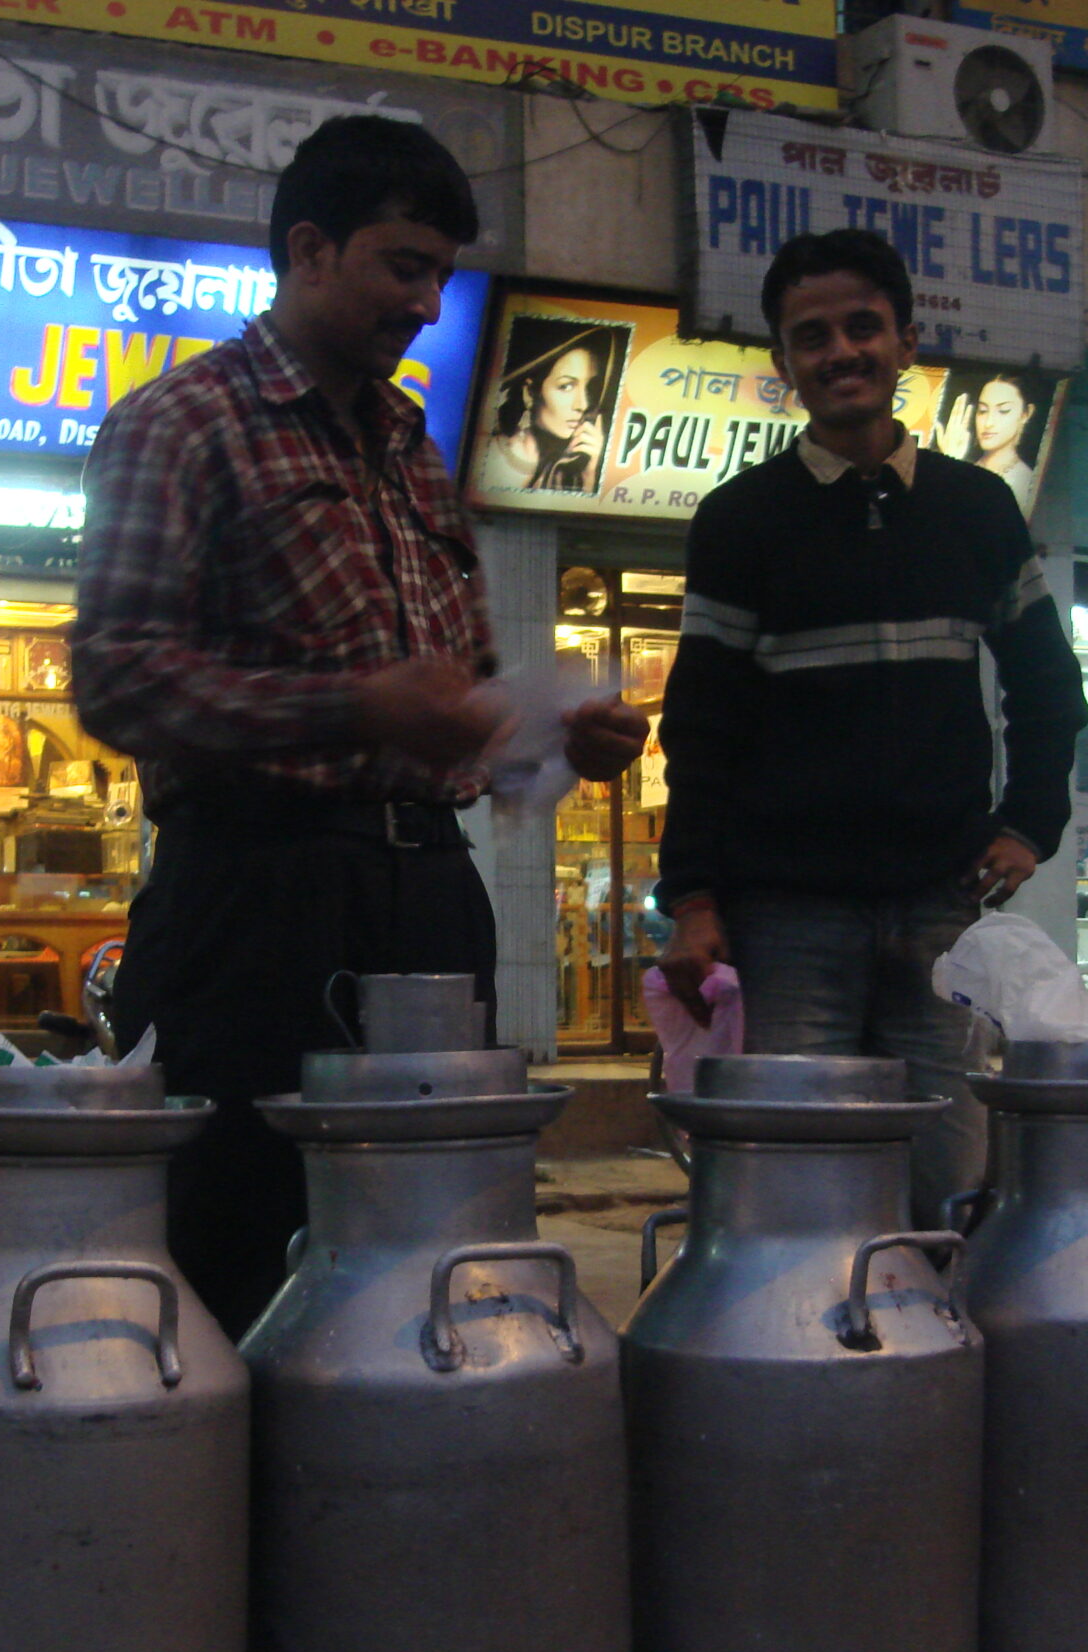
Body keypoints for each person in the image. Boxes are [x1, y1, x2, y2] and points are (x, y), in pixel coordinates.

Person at [71, 116, 645, 1335]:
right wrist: (347, 702)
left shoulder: (413, 452)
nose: (429, 305)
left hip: (430, 896)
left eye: (442, 273)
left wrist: (550, 737)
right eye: (402, 266)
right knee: (237, 1249)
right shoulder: (179, 424)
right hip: (254, 894)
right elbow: (116, 680)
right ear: (309, 249)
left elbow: (470, 698)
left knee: (430, 1245)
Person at [655, 229, 1088, 1222]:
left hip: (941, 910)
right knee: (800, 1191)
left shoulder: (979, 510)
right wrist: (691, 897)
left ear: (904, 341)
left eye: (862, 327)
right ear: (783, 363)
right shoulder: (740, 520)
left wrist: (1028, 824)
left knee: (946, 1188)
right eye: (811, 336)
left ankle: (928, 1356)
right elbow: (699, 724)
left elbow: (1047, 687)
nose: (839, 351)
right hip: (788, 917)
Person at [477, 326, 608, 492]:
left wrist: (589, 475)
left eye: (590, 387)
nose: (582, 405)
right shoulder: (489, 459)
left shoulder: (575, 466)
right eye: (566, 386)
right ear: (530, 393)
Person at [937, 370, 1042, 517]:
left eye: (1004, 411)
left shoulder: (1024, 482)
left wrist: (954, 468)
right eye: (982, 411)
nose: (988, 423)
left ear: (1026, 414)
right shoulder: (967, 465)